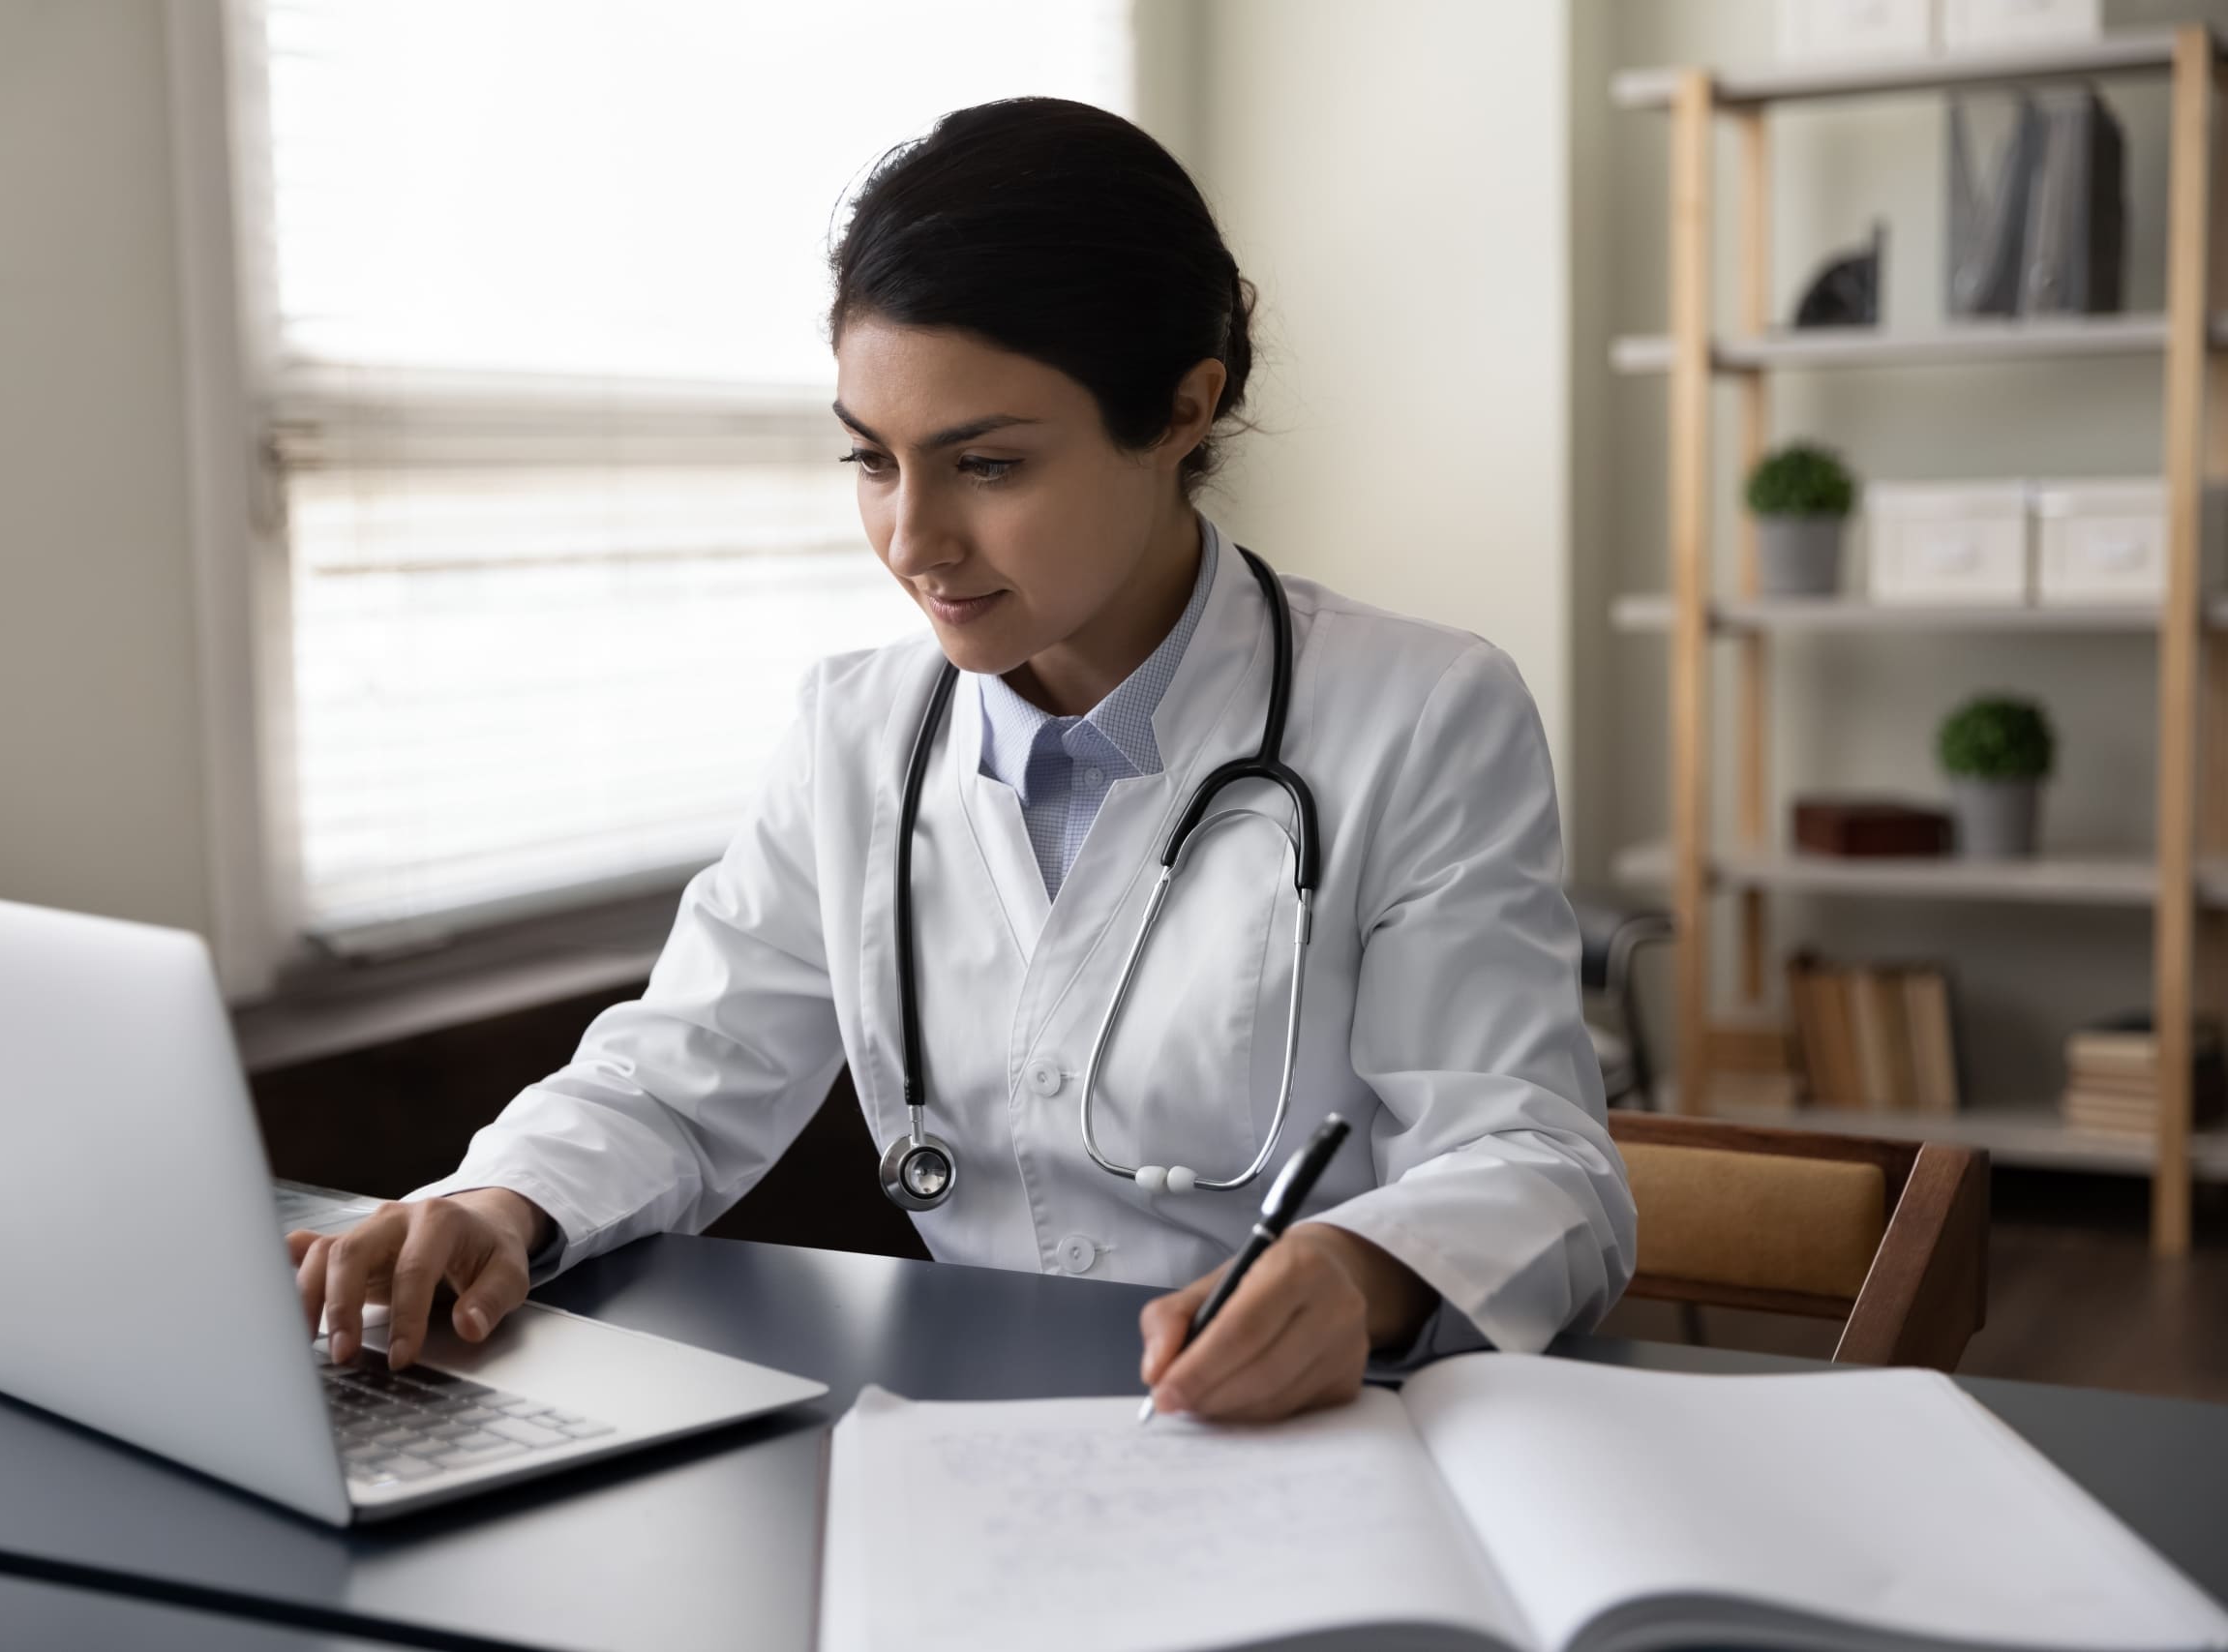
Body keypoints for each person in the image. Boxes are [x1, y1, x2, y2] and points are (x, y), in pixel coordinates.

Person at [292, 97, 1634, 1426]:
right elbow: (679, 1074)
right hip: (972, 1447)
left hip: (1319, 1435)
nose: (912, 539)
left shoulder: (1419, 714)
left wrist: (1361, 1272)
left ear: (1181, 408)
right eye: (871, 460)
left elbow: (1538, 1163)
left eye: (985, 463)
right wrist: (493, 1207)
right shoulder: (856, 733)